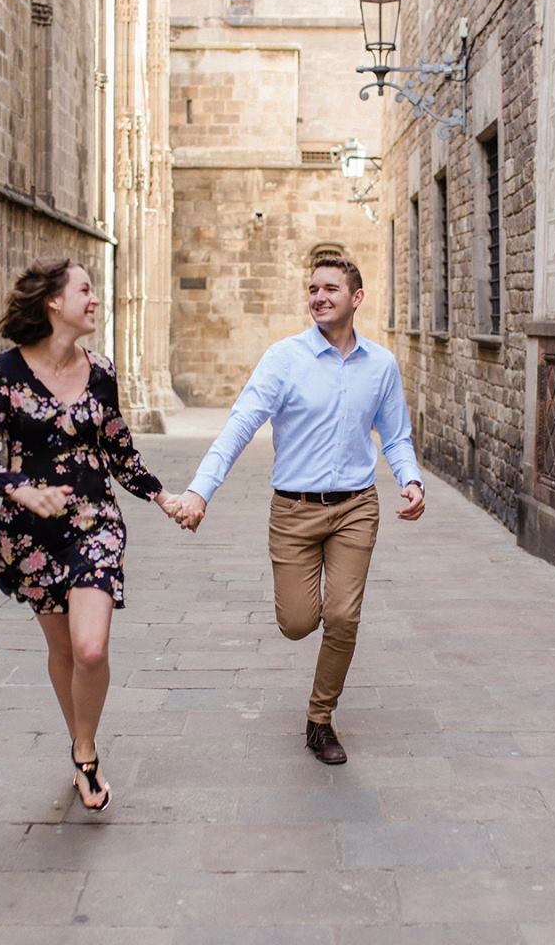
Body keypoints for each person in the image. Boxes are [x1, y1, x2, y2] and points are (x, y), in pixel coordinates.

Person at [172, 257, 425, 764]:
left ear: (356, 298)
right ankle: (316, 663)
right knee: (297, 621)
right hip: (294, 511)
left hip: (356, 506)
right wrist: (200, 491)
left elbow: (395, 434)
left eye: (331, 288)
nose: (319, 297)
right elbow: (241, 424)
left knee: (343, 615)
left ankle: (320, 718)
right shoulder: (284, 358)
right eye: (312, 288)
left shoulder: (381, 365)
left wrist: (410, 478)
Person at [0, 257, 179, 811]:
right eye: (85, 289)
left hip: (95, 523)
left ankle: (85, 748)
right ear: (54, 301)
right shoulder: (5, 373)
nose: (95, 298)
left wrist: (163, 497)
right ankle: (82, 747)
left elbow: (120, 451)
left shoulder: (101, 371)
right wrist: (22, 490)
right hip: (33, 535)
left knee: (90, 647)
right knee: (62, 650)